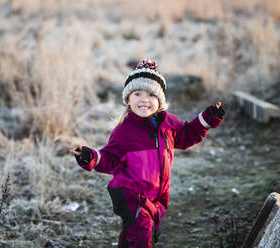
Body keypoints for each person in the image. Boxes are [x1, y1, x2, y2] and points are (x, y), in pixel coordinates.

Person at [69, 58, 225, 248]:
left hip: (157, 197)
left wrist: (207, 119)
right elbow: (109, 159)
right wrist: (90, 157)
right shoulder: (124, 131)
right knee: (142, 236)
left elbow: (187, 135)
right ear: (128, 99)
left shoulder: (169, 124)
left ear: (159, 100)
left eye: (151, 94)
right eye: (137, 93)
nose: (144, 99)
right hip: (130, 195)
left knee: (137, 236)